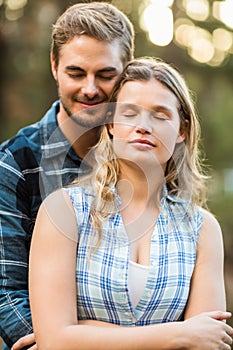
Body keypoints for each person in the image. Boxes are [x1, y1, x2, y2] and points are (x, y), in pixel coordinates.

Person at [28, 57, 233, 350]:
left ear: (182, 131)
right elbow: (55, 341)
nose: (143, 126)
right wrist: (178, 334)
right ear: (111, 124)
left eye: (160, 115)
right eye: (129, 113)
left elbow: (208, 343)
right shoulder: (64, 211)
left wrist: (83, 331)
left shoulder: (202, 229)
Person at [0, 2, 134, 349]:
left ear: (127, 71)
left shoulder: (149, 157)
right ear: (55, 66)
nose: (90, 89)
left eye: (105, 75)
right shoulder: (15, 161)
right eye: (76, 73)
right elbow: (5, 289)